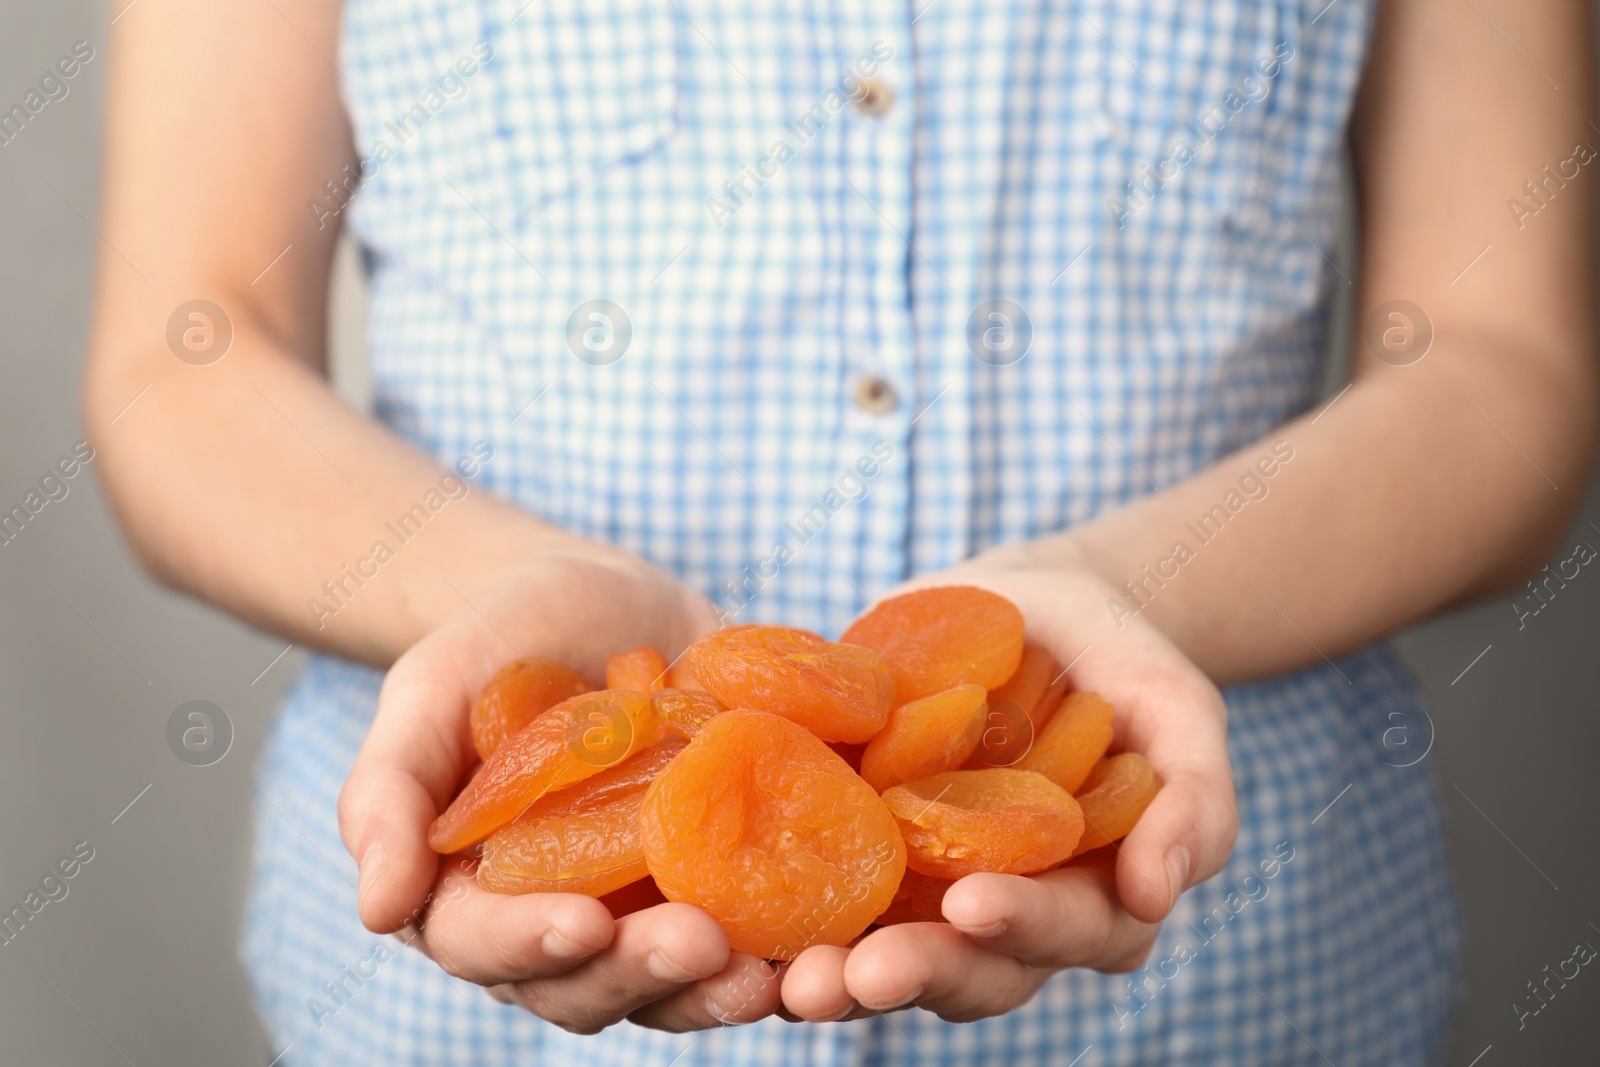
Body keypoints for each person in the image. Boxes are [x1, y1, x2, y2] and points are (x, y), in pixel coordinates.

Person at [86, 0, 1593, 1063]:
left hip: (1244, 979)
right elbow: (183, 358)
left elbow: (1503, 372)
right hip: (447, 1029)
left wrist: (1119, 591)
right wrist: (513, 602)